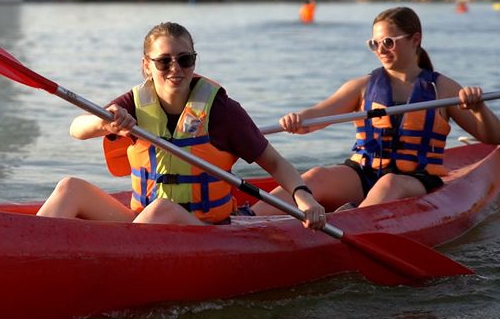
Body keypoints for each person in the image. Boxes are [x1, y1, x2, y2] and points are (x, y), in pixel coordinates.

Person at [36, 21, 326, 229]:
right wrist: (105, 123)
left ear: (193, 62)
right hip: (143, 223)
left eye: (185, 59)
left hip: (205, 230)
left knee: (161, 209)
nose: (175, 69)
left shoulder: (222, 111)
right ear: (146, 66)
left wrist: (305, 199)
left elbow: (275, 163)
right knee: (69, 187)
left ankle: (113, 269)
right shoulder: (132, 103)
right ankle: (29, 254)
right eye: (164, 62)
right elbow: (76, 129)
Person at [253, 6, 500, 215]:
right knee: (316, 176)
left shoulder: (442, 89)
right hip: (364, 173)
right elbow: (318, 115)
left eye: (388, 42)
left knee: (389, 183)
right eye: (374, 43)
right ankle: (247, 218)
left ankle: (347, 221)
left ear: (415, 40)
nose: (381, 49)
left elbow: (493, 138)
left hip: (414, 180)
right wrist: (298, 120)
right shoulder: (362, 86)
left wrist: (479, 108)